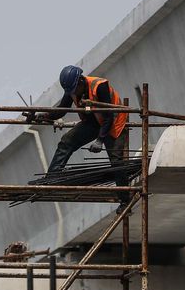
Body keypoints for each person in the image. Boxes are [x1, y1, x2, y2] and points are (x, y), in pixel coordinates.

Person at [25, 65, 132, 208]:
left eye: (75, 89)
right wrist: (43, 116)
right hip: (93, 121)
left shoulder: (99, 86)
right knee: (66, 142)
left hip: (113, 121)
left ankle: (125, 200)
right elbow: (62, 110)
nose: (73, 93)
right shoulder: (71, 89)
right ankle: (52, 178)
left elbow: (108, 116)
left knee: (116, 162)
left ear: (81, 81)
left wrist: (100, 140)